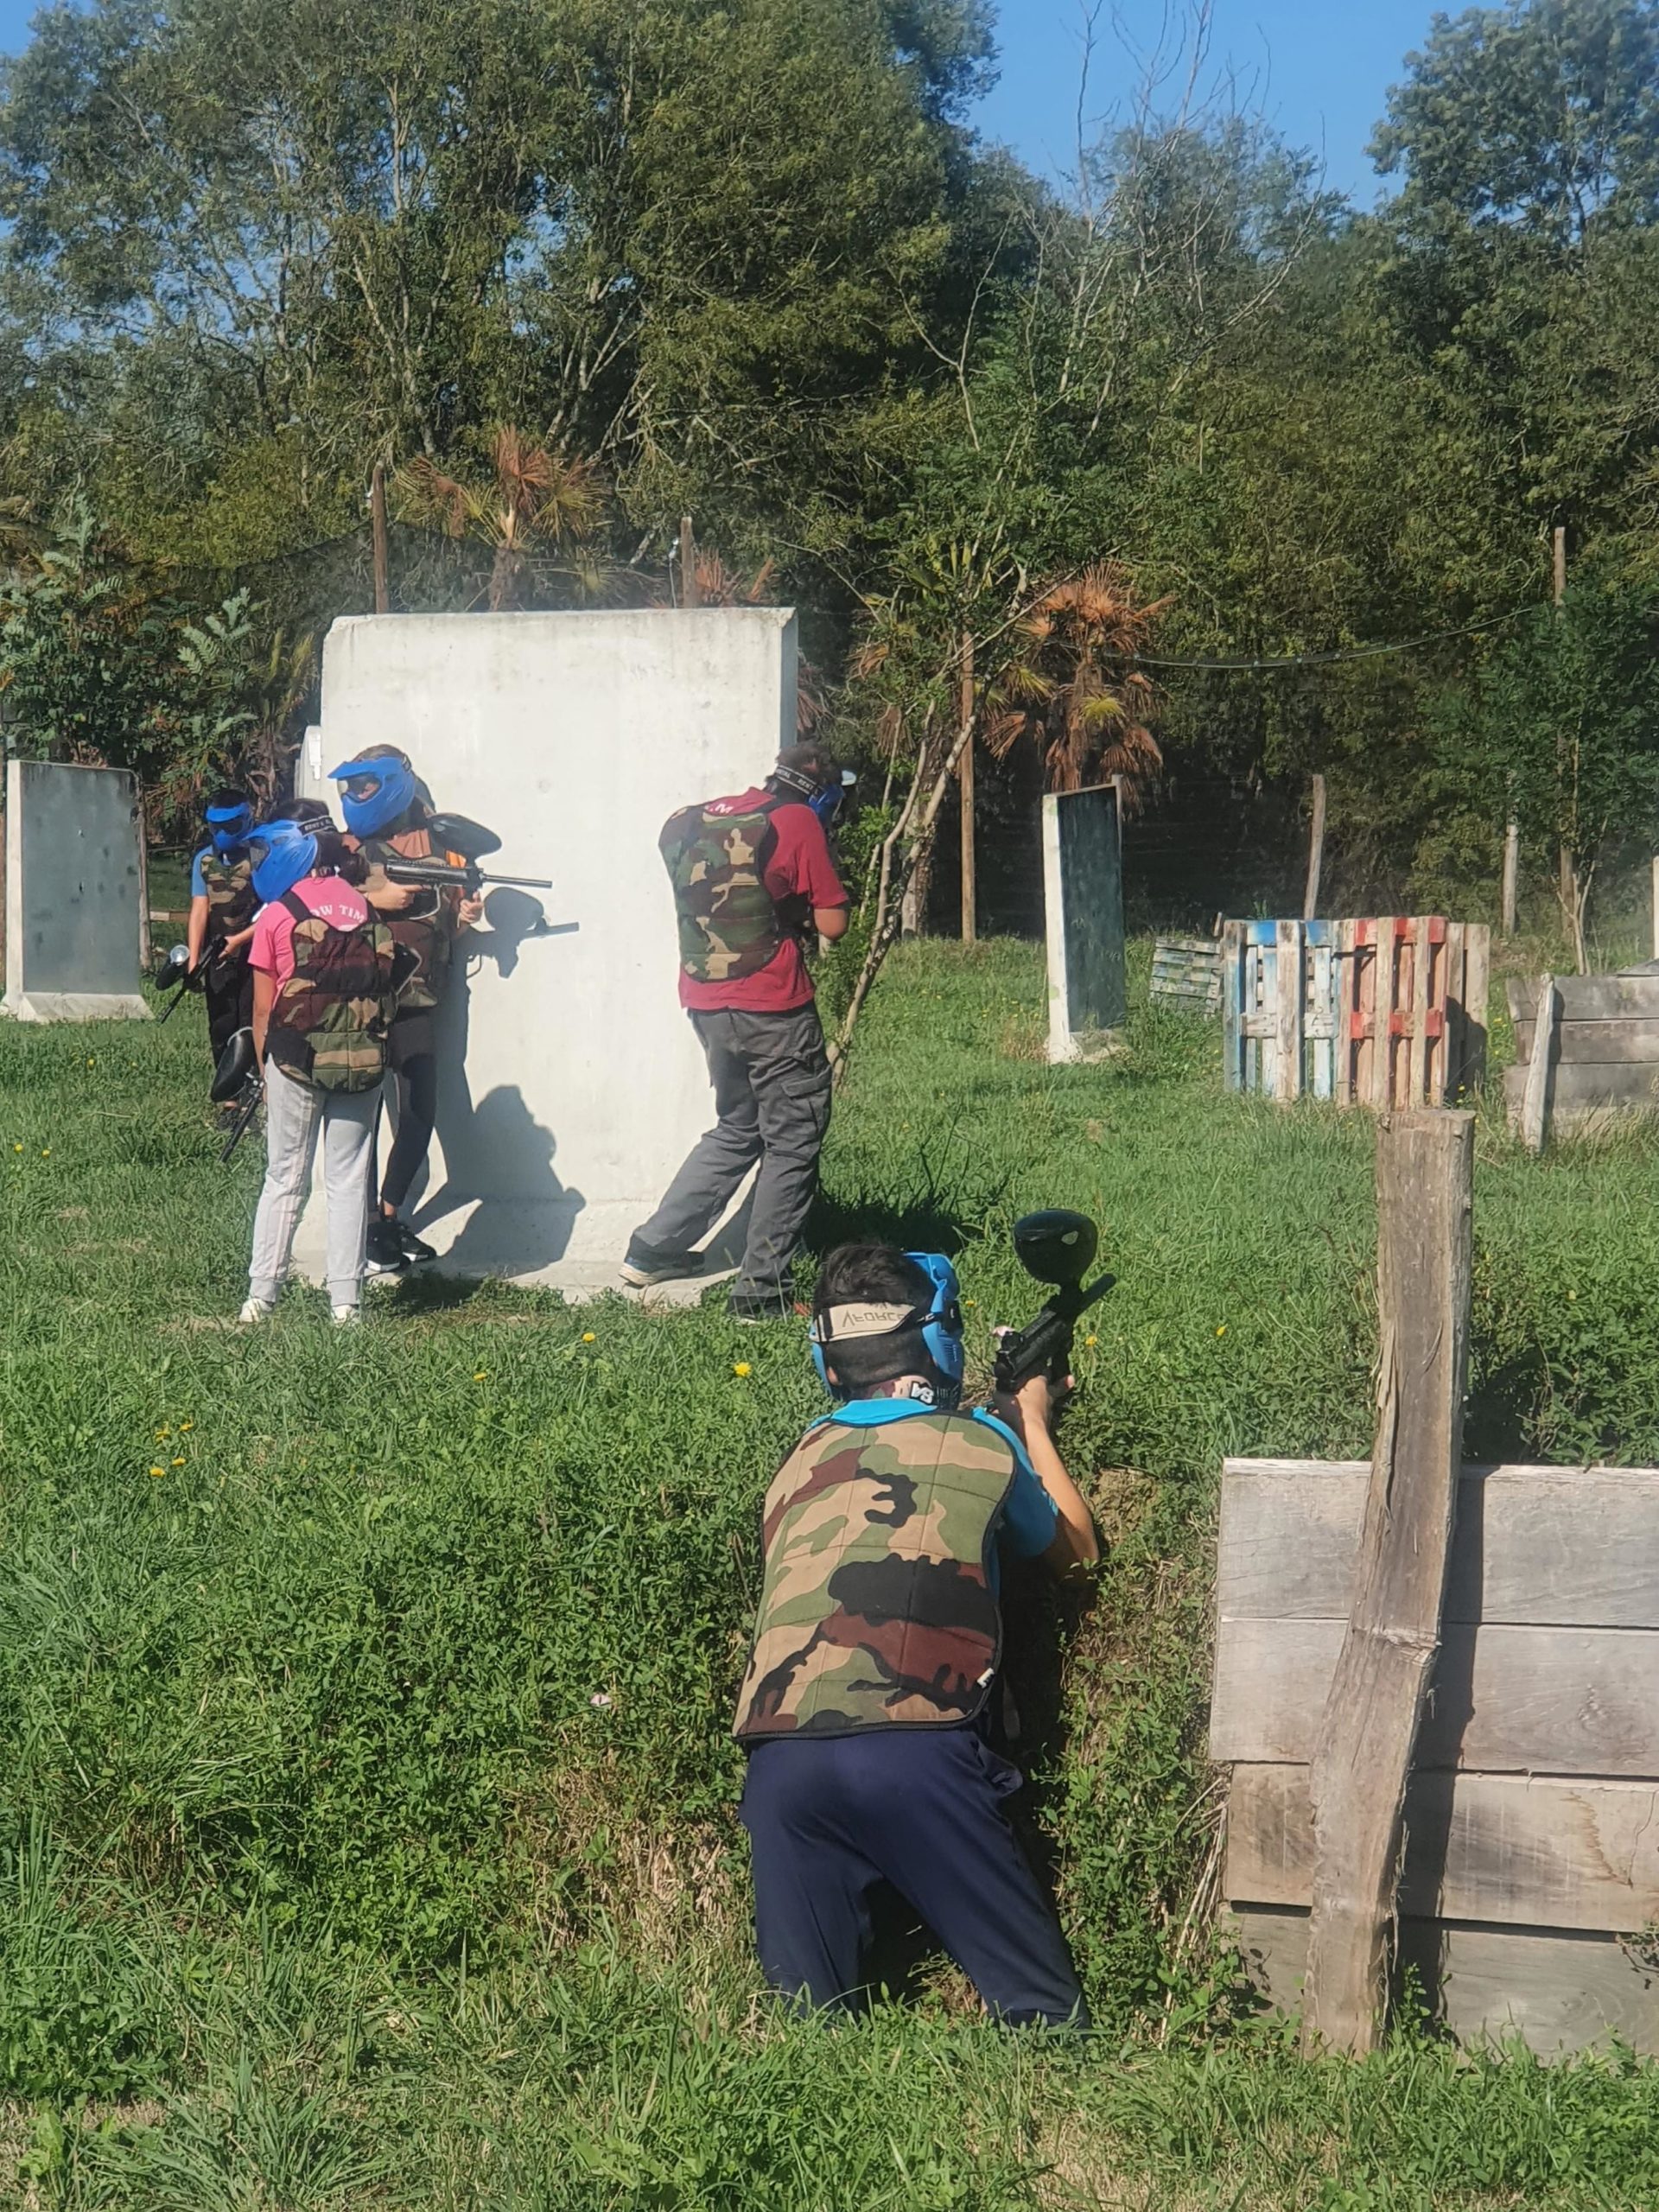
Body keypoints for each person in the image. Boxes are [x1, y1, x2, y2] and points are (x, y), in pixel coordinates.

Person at [732, 1243, 1099, 2026]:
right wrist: (1030, 1420)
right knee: (1046, 2020)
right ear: (939, 1341)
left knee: (809, 2033)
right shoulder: (982, 1442)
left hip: (780, 1764)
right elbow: (1078, 1553)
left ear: (827, 1361)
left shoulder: (796, 1461)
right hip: (918, 1750)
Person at [622, 742, 853, 1321]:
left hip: (705, 1000)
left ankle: (653, 1250)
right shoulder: (797, 821)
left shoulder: (686, 819)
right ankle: (760, 1293)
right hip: (773, 1005)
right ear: (823, 793)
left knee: (737, 1126)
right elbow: (834, 923)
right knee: (793, 1138)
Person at [238, 815, 407, 1326]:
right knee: (349, 1179)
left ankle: (261, 1297)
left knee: (285, 1175)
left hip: (296, 1059)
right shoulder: (366, 906)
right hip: (362, 1060)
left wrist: (266, 1072)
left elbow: (264, 1009)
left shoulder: (277, 915)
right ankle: (346, 1303)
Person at [329, 745, 482, 1274]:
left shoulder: (441, 846)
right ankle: (366, 1223)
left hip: (419, 997)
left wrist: (465, 917)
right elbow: (308, 909)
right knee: (362, 1117)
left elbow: (446, 930)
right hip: (359, 997)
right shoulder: (344, 850)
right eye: (353, 787)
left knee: (419, 1108)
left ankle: (389, 1216)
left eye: (366, 786)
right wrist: (373, 900)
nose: (357, 796)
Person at [186, 788, 257, 1103]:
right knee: (221, 1024)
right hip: (217, 956)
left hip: (255, 954)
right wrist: (193, 960)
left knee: (251, 1022)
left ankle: (253, 1092)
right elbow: (199, 910)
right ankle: (229, 1099)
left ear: (246, 819)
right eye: (218, 827)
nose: (224, 833)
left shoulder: (261, 857)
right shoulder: (204, 860)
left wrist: (241, 940)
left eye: (231, 826)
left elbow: (273, 911)